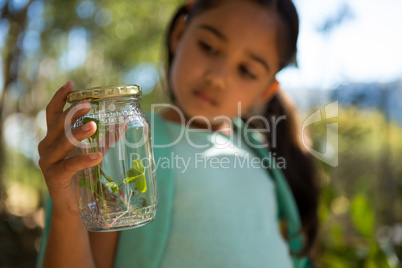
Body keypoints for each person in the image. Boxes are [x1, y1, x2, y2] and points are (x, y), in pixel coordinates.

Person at [37, 0, 319, 267]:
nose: (217, 77)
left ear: (265, 91)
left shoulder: (263, 153)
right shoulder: (121, 141)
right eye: (208, 47)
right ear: (180, 34)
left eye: (246, 70)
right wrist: (69, 214)